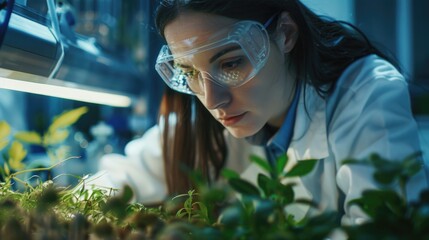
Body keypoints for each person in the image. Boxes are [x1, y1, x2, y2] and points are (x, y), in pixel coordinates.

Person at [88, 0, 428, 225]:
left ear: (286, 33)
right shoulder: (203, 123)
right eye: (189, 73)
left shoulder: (365, 93)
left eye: (232, 63)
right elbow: (120, 178)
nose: (213, 100)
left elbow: (384, 230)